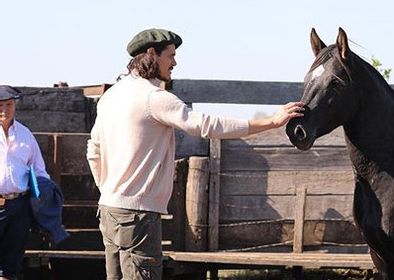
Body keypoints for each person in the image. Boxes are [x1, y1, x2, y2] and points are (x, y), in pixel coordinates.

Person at [86, 28, 305, 280]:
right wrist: (270, 122)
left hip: (109, 209)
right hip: (137, 215)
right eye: (170, 55)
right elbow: (208, 126)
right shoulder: (153, 97)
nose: (175, 62)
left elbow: (94, 149)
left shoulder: (110, 96)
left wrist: (109, 190)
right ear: (151, 54)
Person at [0, 85, 50, 280]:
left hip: (18, 206)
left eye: (9, 105)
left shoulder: (25, 134)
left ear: (15, 106)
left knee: (11, 264)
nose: (4, 110)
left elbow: (38, 169)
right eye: (0, 105)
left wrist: (44, 193)